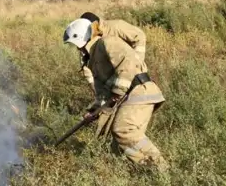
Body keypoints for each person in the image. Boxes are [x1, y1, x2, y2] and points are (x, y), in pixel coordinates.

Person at [63, 17, 168, 171]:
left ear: (81, 39)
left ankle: (161, 169)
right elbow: (103, 91)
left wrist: (118, 91)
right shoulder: (92, 59)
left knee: (124, 130)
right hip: (130, 96)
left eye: (76, 46)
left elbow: (128, 63)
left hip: (139, 91)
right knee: (117, 145)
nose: (77, 50)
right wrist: (94, 110)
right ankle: (146, 172)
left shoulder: (107, 42)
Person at [77, 12, 147, 94]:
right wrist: (95, 89)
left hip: (131, 71)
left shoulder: (116, 26)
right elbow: (86, 64)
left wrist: (137, 60)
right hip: (112, 78)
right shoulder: (86, 37)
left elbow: (139, 36)